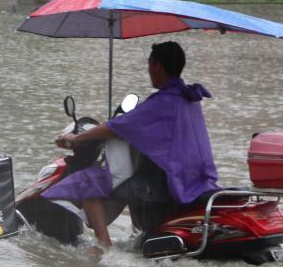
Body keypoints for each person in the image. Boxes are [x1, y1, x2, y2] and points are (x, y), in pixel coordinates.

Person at [54, 41, 219, 250]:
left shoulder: (164, 101)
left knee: (86, 182)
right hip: (197, 179)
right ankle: (139, 238)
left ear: (157, 66)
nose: (148, 69)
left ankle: (103, 244)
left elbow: (119, 125)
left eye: (149, 63)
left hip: (169, 184)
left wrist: (77, 139)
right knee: (135, 180)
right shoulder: (189, 98)